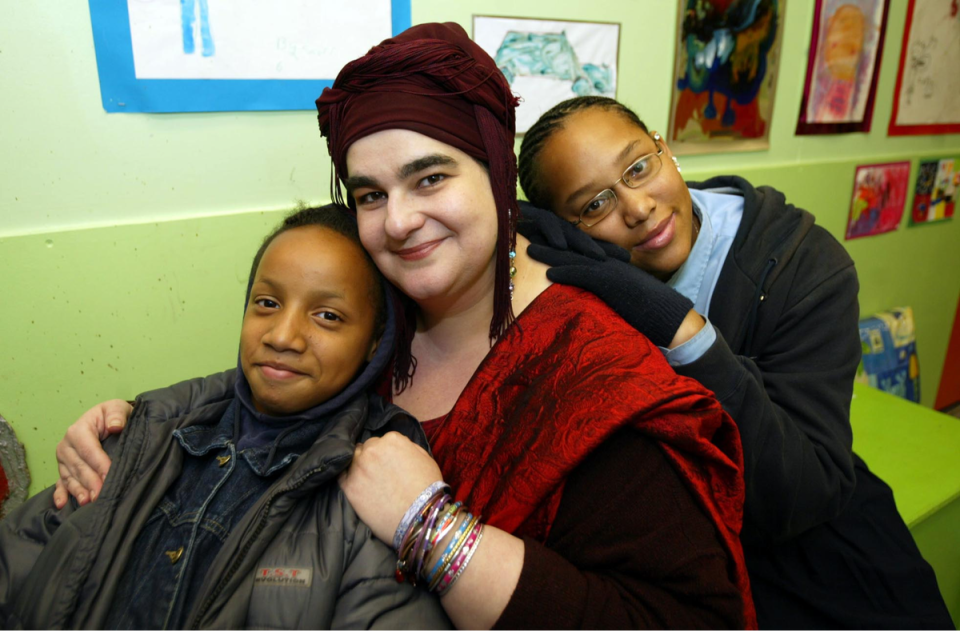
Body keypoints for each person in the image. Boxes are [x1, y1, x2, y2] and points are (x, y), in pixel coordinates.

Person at [49, 23, 757, 630]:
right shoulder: (371, 312)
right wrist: (136, 428)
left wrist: (433, 529)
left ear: (494, 169)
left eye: (429, 178)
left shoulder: (598, 376)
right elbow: (257, 408)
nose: (396, 221)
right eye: (369, 193)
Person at [515, 95, 954, 629]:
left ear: (665, 149)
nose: (637, 208)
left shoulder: (803, 264)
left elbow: (806, 491)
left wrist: (685, 332)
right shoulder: (575, 283)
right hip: (683, 572)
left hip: (822, 562)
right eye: (594, 205)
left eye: (638, 167)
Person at [0, 205, 449, 630]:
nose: (282, 336)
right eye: (267, 303)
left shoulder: (374, 492)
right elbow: (23, 553)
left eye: (327, 316)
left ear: (375, 343)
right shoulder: (144, 435)